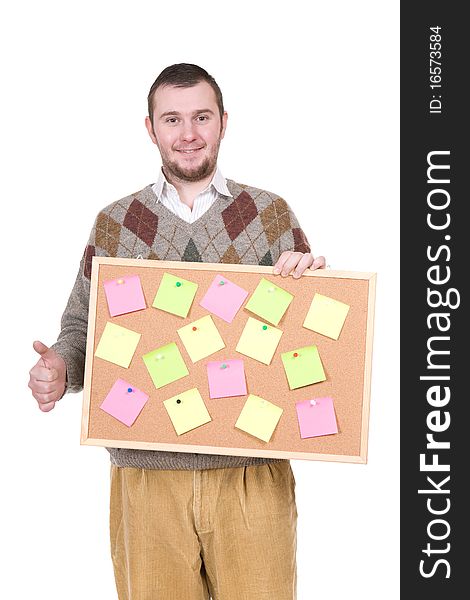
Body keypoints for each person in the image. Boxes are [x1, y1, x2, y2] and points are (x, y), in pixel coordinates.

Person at [28, 63, 325, 600]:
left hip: (250, 471)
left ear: (223, 123)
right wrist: (62, 367)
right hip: (145, 474)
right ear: (151, 128)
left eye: (201, 117)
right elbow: (80, 324)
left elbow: (308, 334)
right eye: (172, 119)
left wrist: (312, 285)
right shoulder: (116, 222)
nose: (188, 133)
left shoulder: (268, 215)